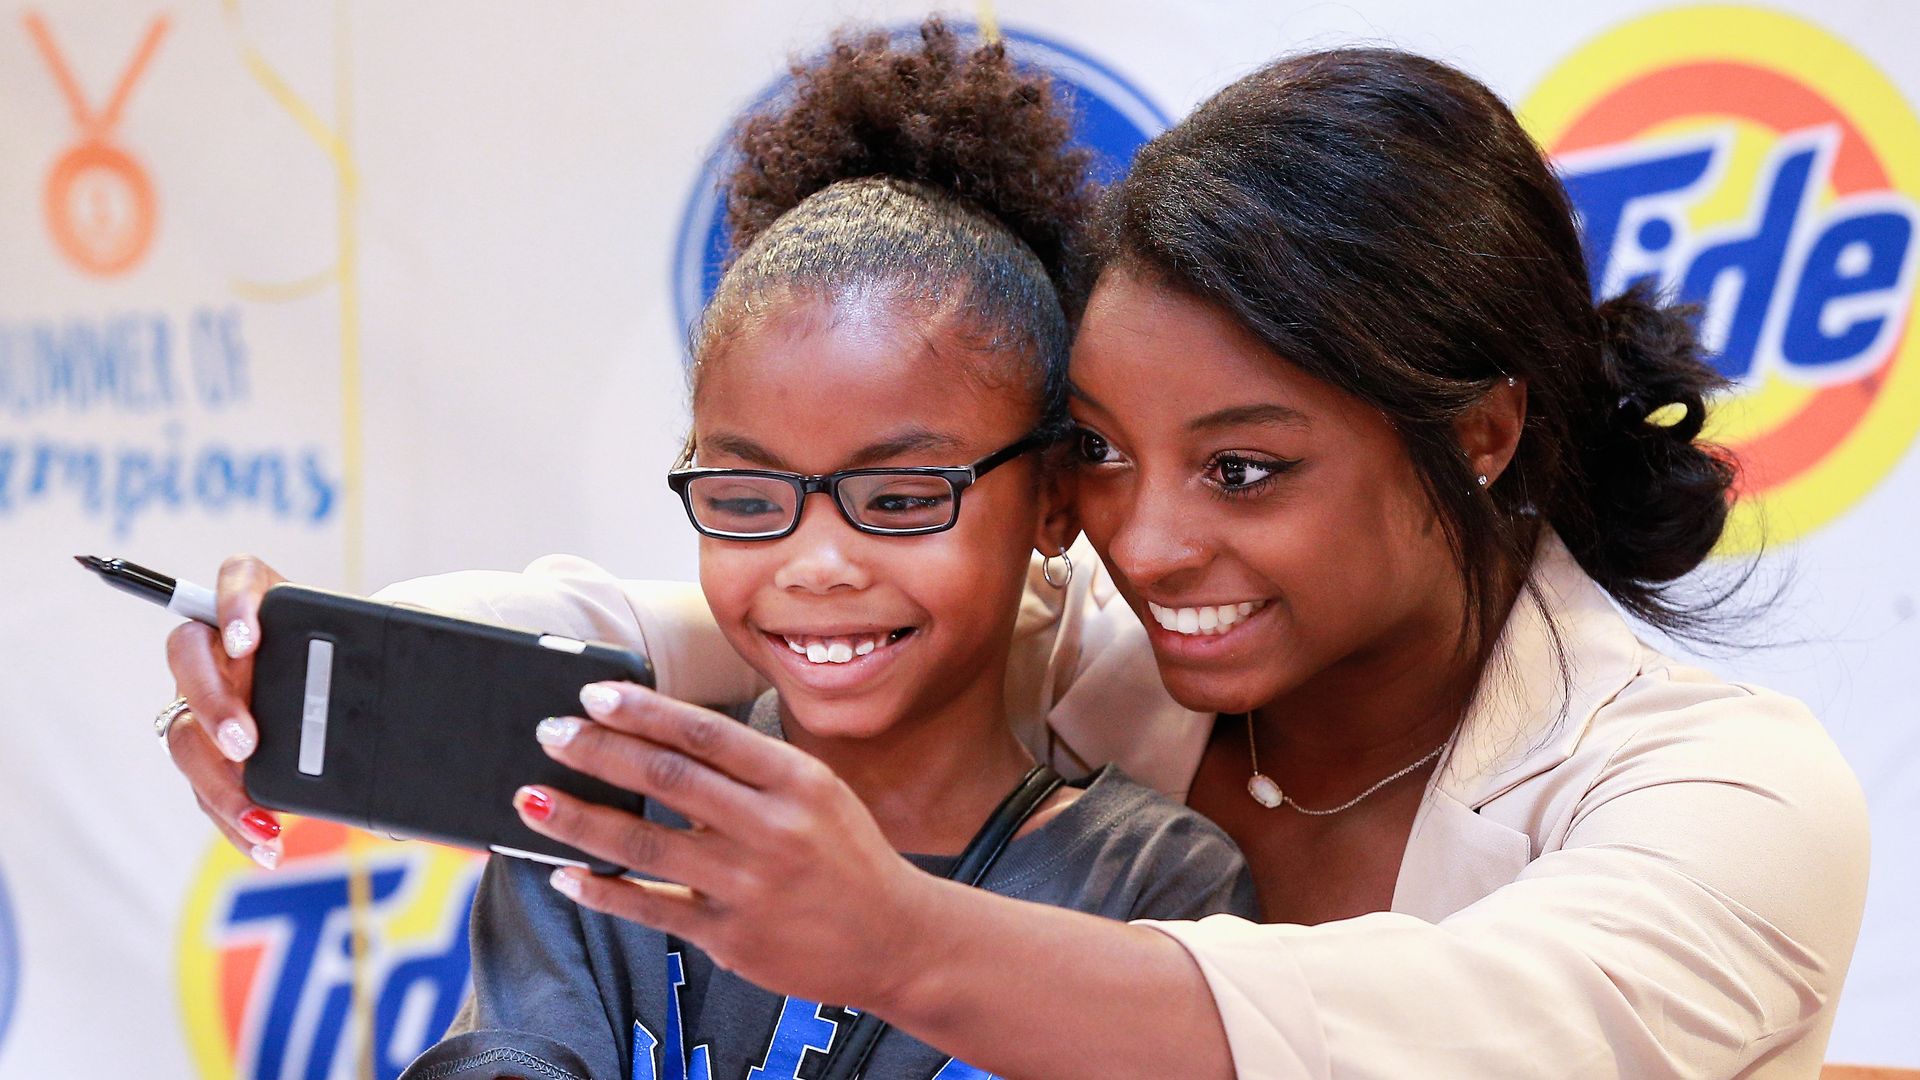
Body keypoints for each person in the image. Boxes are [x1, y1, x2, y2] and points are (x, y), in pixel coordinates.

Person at [165, 45, 1869, 1079]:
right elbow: (668, 621)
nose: (1150, 537)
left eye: (1248, 468)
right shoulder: (1084, 639)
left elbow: (1474, 1034)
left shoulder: (1726, 791)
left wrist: (893, 940)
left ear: (1482, 432)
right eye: (1108, 459)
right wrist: (295, 657)